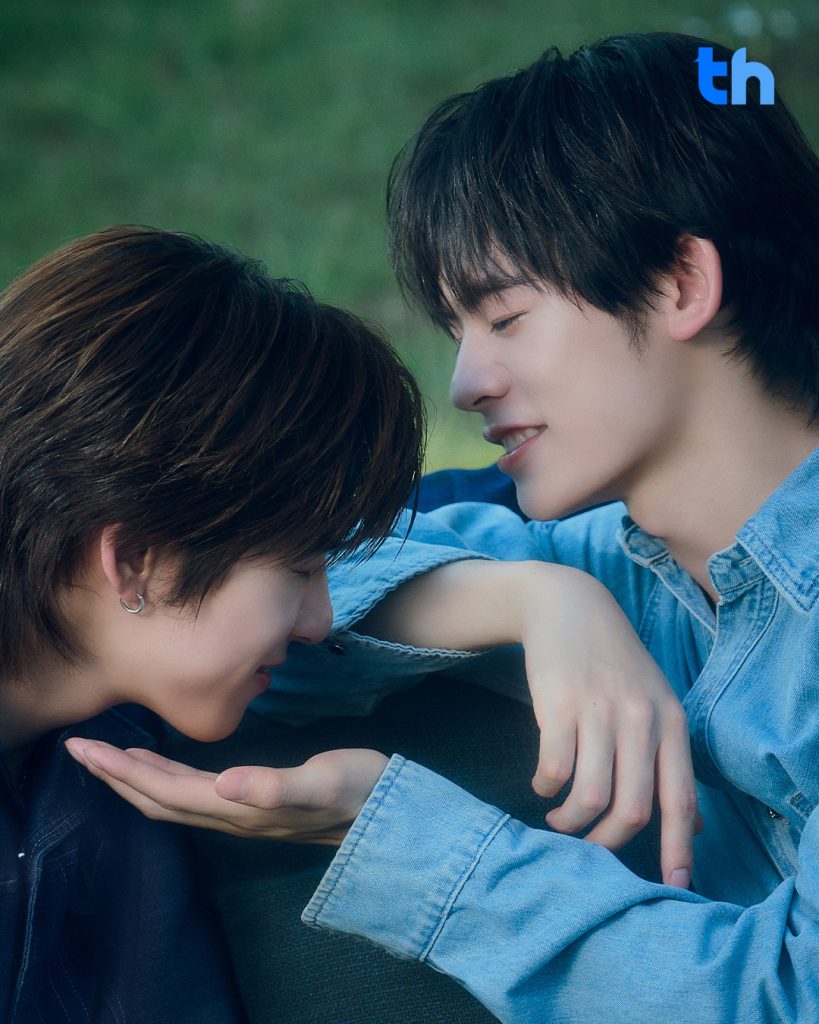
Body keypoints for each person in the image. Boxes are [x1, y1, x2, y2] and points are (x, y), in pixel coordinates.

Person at [69, 31, 819, 1023]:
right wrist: (542, 600)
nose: (466, 382)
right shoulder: (634, 562)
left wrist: (400, 843)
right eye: (457, 332)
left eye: (505, 319)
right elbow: (288, 608)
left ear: (681, 284)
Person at [0, 224, 426, 1023]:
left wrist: (548, 602)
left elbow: (460, 508)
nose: (319, 621)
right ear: (135, 560)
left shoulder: (106, 723)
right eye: (300, 568)